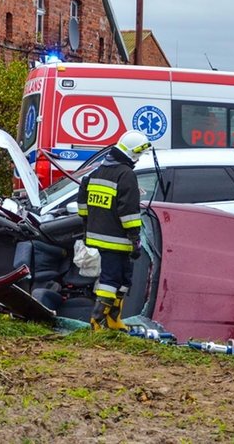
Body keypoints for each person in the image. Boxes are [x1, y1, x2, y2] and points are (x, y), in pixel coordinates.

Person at [77, 130, 153, 331]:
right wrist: (135, 237)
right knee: (111, 280)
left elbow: (82, 205)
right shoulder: (125, 175)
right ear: (133, 153)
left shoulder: (97, 172)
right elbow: (128, 211)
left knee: (123, 278)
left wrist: (87, 227)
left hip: (100, 237)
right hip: (117, 239)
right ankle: (97, 321)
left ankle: (113, 319)